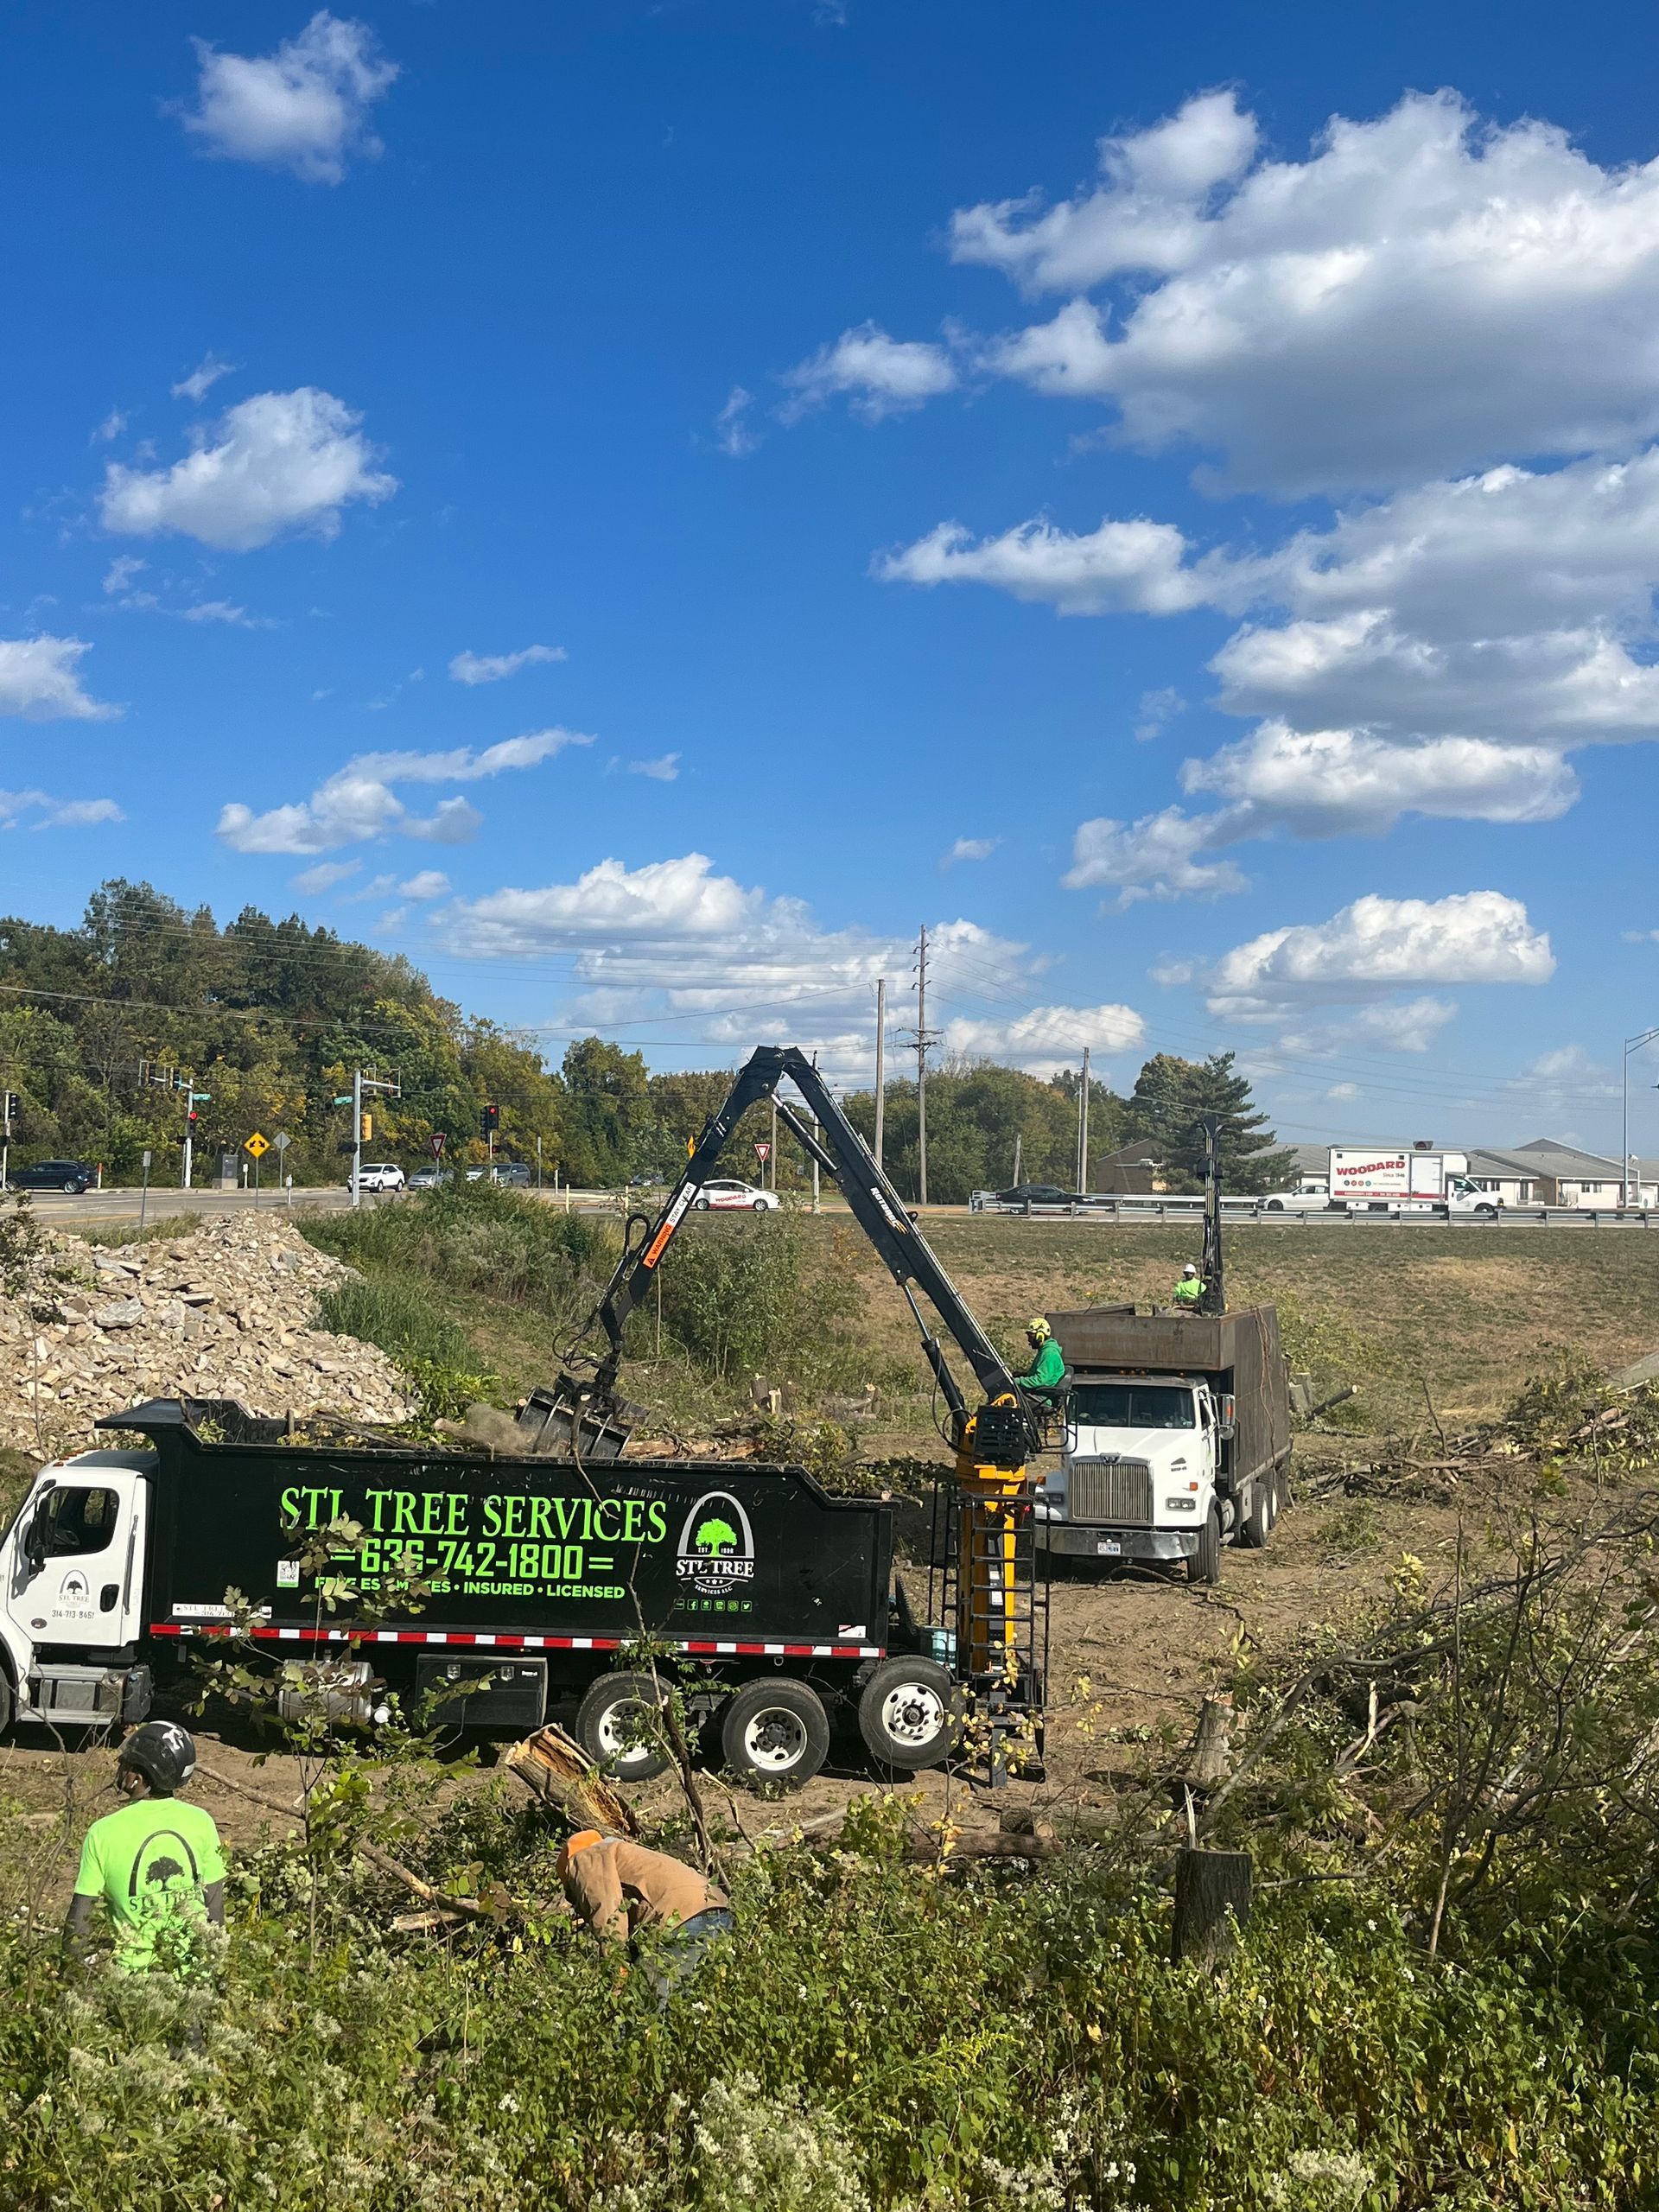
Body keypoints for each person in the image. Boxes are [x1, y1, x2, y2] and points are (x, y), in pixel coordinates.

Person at [64, 1721, 226, 1973]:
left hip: (131, 1986)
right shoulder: (202, 1822)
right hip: (195, 1982)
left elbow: (78, 1930)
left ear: (137, 1778)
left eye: (125, 1765)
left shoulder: (102, 1833)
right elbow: (214, 1911)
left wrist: (76, 1974)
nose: (119, 1768)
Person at [556, 1829, 734, 2001]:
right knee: (688, 2005)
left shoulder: (586, 1858)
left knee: (644, 2004)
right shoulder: (624, 1853)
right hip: (718, 1909)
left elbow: (608, 1914)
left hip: (681, 1919)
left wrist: (617, 1976)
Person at [1013, 1317, 1065, 1401]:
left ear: (1039, 1336)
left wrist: (1015, 1381)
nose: (1029, 1340)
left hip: (1042, 1398)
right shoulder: (1045, 1351)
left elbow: (1040, 1380)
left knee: (1007, 1397)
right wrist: (1023, 1375)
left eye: (1030, 1336)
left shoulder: (1049, 1353)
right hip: (1038, 1393)